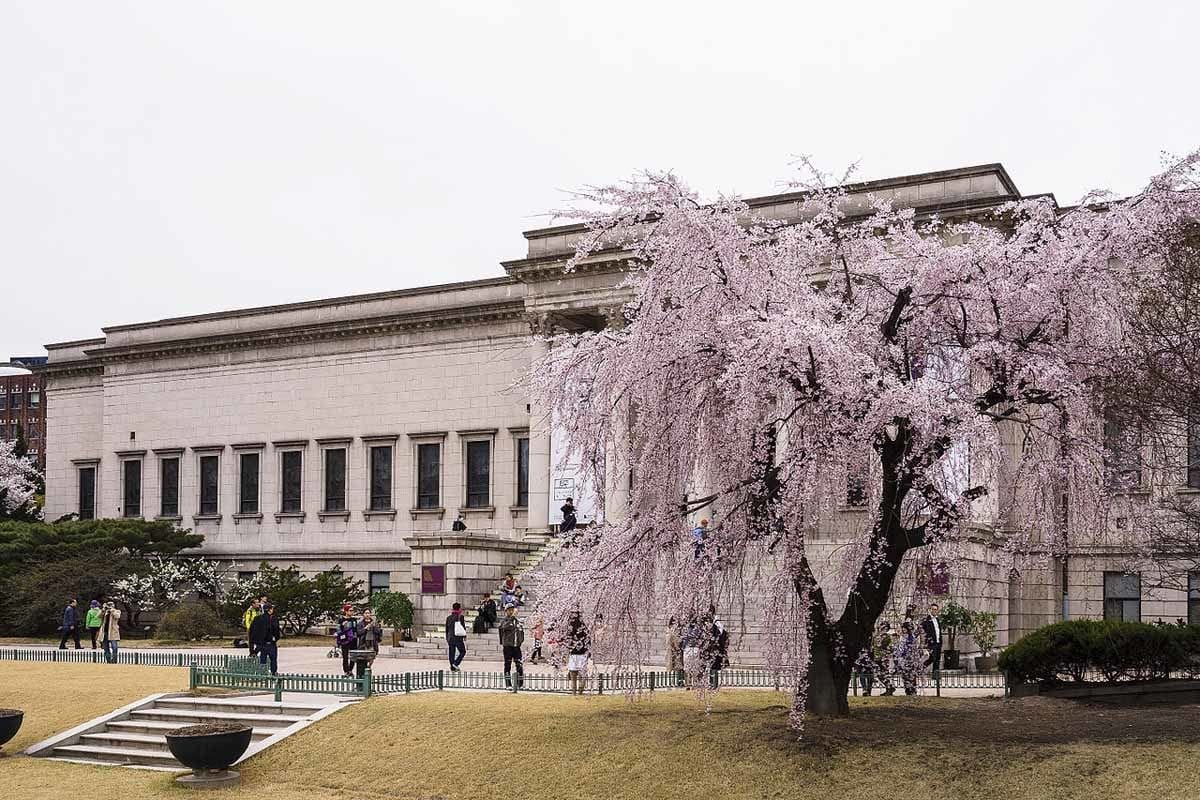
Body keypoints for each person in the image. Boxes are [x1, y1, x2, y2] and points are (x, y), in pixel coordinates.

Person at [249, 603, 282, 675]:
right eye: (272, 609)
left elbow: (252, 631)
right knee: (273, 659)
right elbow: (276, 630)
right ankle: (274, 673)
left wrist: (254, 643)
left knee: (262, 659)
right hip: (271, 643)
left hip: (261, 644)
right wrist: (276, 639)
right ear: (269, 610)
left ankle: (262, 674)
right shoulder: (273, 619)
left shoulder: (257, 619)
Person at [498, 603, 525, 690]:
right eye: (509, 610)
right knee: (507, 665)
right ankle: (508, 684)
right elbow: (503, 628)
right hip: (508, 646)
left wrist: (520, 641)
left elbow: (521, 632)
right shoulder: (504, 621)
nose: (511, 611)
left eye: (512, 610)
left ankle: (520, 684)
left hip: (516, 646)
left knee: (519, 665)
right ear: (506, 611)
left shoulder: (517, 622)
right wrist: (511, 618)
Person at [894, 620, 923, 696]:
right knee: (905, 676)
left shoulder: (911, 637)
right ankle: (908, 690)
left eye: (905, 628)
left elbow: (911, 648)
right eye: (903, 628)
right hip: (904, 659)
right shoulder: (902, 637)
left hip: (910, 659)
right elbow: (900, 648)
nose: (903, 630)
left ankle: (912, 690)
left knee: (911, 675)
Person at [565, 611, 590, 695]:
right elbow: (588, 641)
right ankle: (580, 691)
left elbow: (567, 641)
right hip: (582, 654)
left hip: (573, 653)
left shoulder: (570, 628)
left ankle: (574, 692)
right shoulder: (584, 628)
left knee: (573, 676)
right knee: (583, 675)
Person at [354, 612, 383, 679]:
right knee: (364, 658)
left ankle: (368, 667)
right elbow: (358, 633)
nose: (367, 614)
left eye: (368, 613)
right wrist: (365, 628)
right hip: (364, 643)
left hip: (372, 643)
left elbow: (379, 632)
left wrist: (374, 627)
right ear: (363, 614)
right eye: (366, 613)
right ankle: (364, 672)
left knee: (372, 657)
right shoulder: (360, 624)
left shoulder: (374, 623)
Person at [873, 621, 897, 696]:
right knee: (879, 674)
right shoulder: (877, 635)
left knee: (883, 673)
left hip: (883, 658)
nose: (882, 628)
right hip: (877, 657)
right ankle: (889, 687)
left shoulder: (886, 637)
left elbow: (883, 646)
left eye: (884, 627)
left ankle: (889, 688)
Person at [706, 617, 729, 689]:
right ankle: (712, 684)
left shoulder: (715, 629)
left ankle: (713, 684)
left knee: (713, 667)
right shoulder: (722, 630)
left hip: (714, 650)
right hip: (717, 650)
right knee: (713, 668)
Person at [921, 602, 942, 676]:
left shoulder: (938, 620)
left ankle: (935, 675)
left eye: (936, 610)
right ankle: (920, 668)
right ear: (930, 610)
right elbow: (921, 629)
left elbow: (938, 631)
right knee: (932, 658)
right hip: (931, 643)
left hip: (938, 642)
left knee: (937, 659)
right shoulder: (926, 620)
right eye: (933, 609)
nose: (934, 611)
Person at [445, 602, 467, 672]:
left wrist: (447, 638)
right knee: (463, 651)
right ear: (459, 608)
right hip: (458, 638)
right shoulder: (460, 617)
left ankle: (452, 667)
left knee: (452, 653)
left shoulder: (448, 618)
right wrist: (465, 635)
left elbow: (447, 629)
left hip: (450, 638)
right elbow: (463, 627)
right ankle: (455, 663)